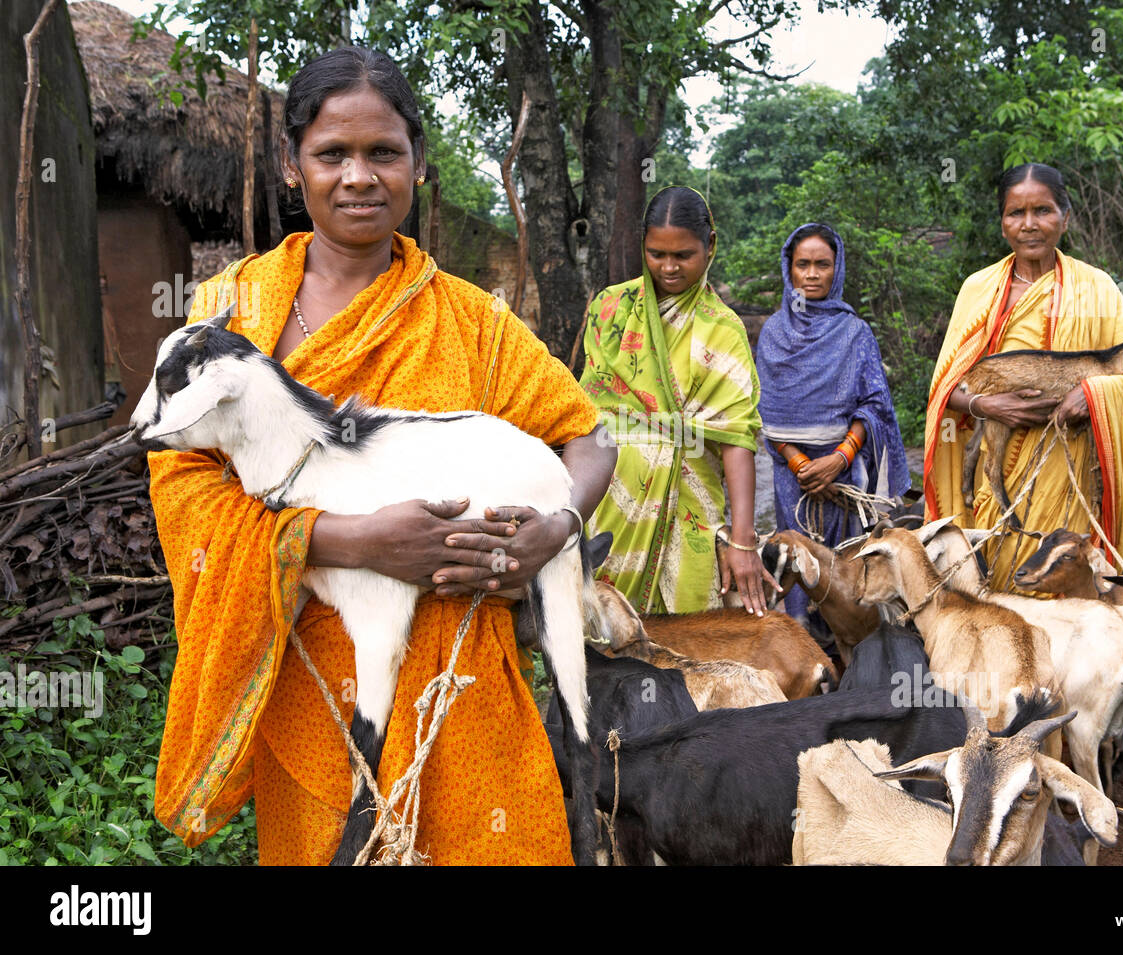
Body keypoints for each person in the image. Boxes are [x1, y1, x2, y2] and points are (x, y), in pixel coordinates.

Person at [146, 46, 616, 865]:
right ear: (294, 168)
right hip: (316, 689)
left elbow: (589, 436)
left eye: (382, 153)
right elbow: (183, 489)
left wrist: (554, 528)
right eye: (332, 154)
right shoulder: (231, 313)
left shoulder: (473, 320)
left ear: (418, 164)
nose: (358, 176)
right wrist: (347, 540)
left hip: (461, 680)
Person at [925, 162, 1123, 590]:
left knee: (1065, 587)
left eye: (1043, 211)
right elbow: (945, 389)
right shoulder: (979, 290)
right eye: (1016, 213)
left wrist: (1093, 394)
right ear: (1002, 223)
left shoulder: (1097, 288)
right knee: (1002, 586)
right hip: (999, 471)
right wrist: (986, 404)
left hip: (1071, 468)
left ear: (1065, 217)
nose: (1029, 224)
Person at [579, 185, 772, 615]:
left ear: (710, 247)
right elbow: (586, 412)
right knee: (604, 634)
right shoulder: (610, 310)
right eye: (656, 253)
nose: (668, 267)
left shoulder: (723, 330)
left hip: (691, 499)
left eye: (683, 255)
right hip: (611, 496)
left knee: (691, 637)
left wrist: (743, 541)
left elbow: (738, 439)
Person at [755, 223, 909, 641]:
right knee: (797, 561)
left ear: (837, 269)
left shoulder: (855, 333)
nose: (812, 274)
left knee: (849, 567)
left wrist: (839, 457)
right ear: (789, 269)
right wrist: (802, 463)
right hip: (795, 478)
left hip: (846, 474)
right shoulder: (773, 333)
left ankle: (859, 652)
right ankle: (808, 656)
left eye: (823, 264)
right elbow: (765, 413)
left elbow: (875, 404)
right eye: (802, 264)